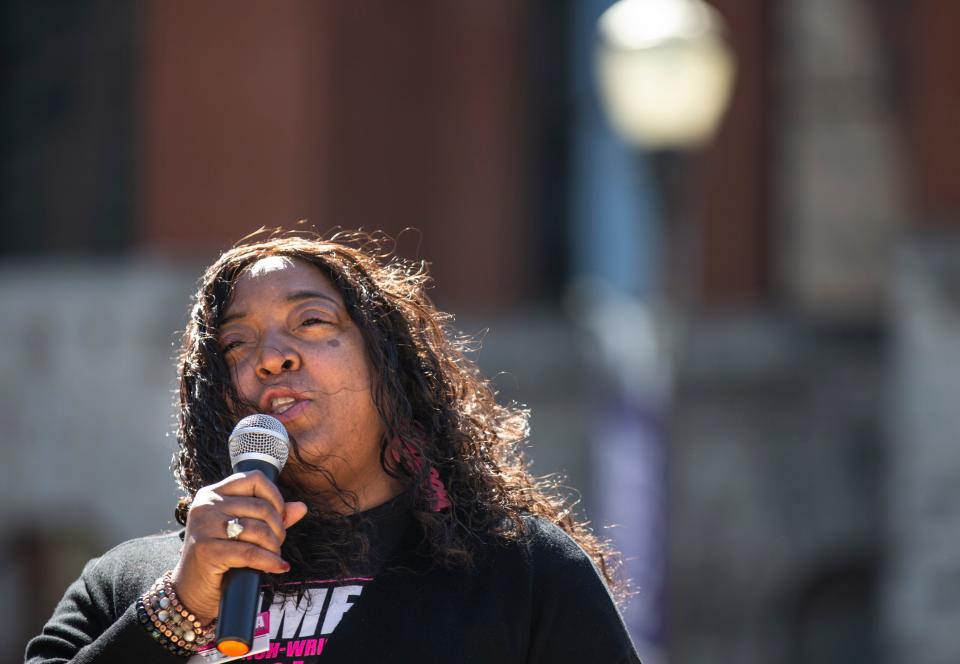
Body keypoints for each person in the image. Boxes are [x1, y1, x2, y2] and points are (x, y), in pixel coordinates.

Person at [26, 232, 641, 663]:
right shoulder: (124, 583)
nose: (271, 357)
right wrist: (178, 609)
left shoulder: (520, 572)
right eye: (237, 345)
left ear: (386, 365)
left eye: (312, 322)